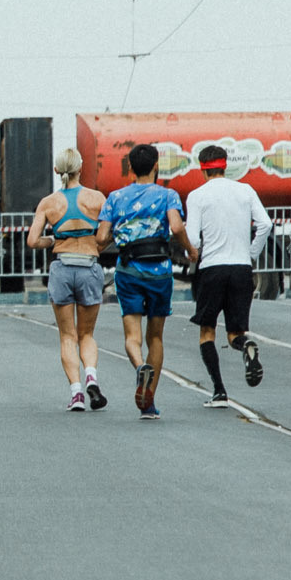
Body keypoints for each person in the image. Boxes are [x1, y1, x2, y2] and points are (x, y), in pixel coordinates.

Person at [182, 144, 272, 408]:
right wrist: (251, 252)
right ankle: (246, 346)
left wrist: (192, 253)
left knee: (207, 331)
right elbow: (266, 224)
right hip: (241, 268)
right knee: (235, 332)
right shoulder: (245, 190)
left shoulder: (197, 196)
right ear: (225, 165)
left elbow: (193, 237)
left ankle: (219, 391)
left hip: (212, 269)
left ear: (202, 168)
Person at [103, 143, 186, 419]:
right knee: (156, 337)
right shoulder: (168, 195)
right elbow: (175, 227)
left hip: (128, 271)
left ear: (130, 168)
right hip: (160, 271)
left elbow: (102, 237)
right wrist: (190, 248)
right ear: (156, 166)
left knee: (132, 336)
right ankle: (149, 403)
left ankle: (139, 366)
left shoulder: (115, 197)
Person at [27, 148, 109, 410]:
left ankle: (76, 394)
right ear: (80, 168)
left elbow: (32, 241)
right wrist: (93, 246)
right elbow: (107, 236)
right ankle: (91, 378)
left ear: (56, 171)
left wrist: (53, 239)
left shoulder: (49, 202)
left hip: (62, 268)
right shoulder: (97, 199)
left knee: (67, 336)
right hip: (88, 267)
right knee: (87, 334)